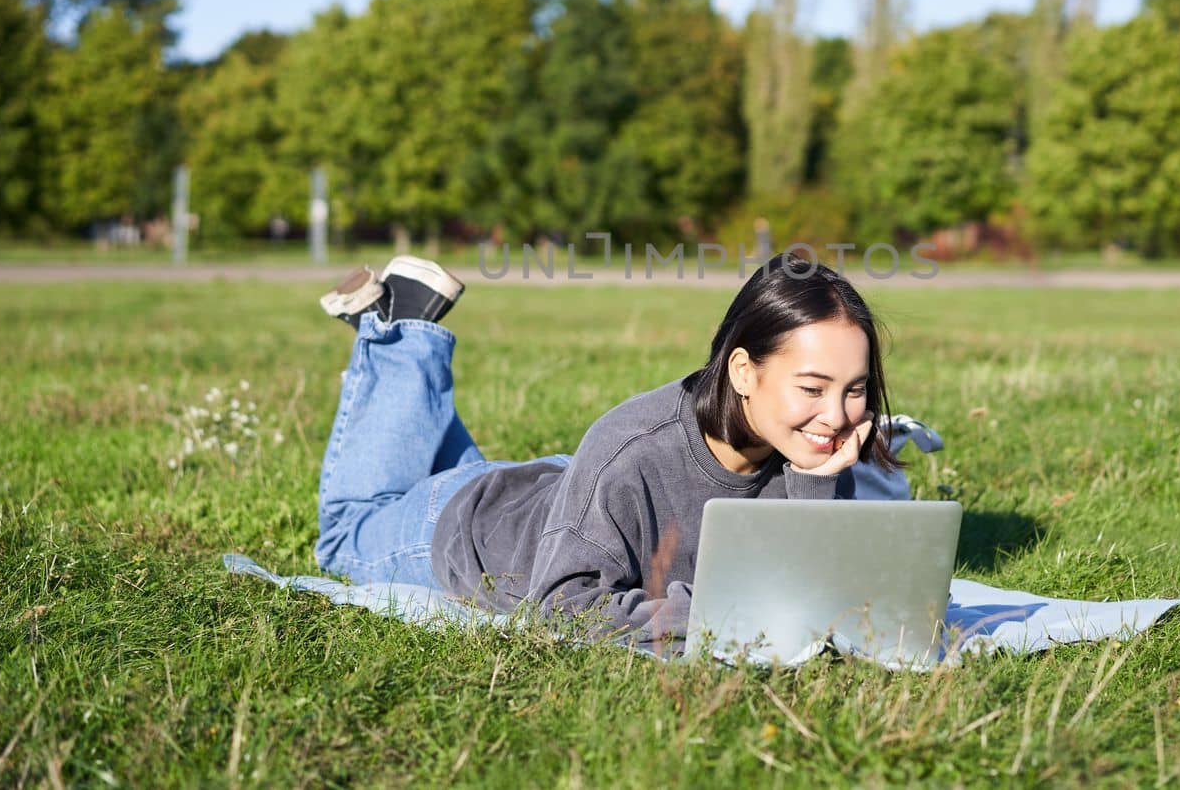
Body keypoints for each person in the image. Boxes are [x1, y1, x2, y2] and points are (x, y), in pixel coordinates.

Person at [312, 251, 905, 649]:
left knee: (427, 472)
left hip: (555, 496)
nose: (837, 416)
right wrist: (710, 618)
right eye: (812, 387)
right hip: (471, 530)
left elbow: (801, 587)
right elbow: (561, 606)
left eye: (854, 389)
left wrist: (815, 483)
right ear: (744, 372)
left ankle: (404, 377)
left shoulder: (814, 449)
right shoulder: (634, 446)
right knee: (344, 533)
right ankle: (399, 331)